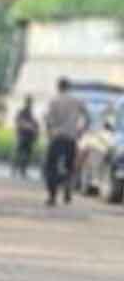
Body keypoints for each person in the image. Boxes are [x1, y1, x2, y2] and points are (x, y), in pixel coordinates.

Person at [43, 78, 89, 207]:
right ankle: (68, 188)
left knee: (51, 167)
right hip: (71, 138)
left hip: (57, 137)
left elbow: (48, 120)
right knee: (70, 167)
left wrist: (49, 134)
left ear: (58, 87)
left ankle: (52, 196)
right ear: (69, 87)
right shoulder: (77, 101)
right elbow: (88, 117)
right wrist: (81, 131)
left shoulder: (54, 101)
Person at [12, 95, 39, 178]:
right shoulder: (22, 112)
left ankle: (22, 170)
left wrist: (35, 130)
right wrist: (30, 127)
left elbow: (35, 124)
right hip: (23, 135)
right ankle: (15, 169)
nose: (30, 104)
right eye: (29, 102)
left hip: (28, 136)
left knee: (26, 154)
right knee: (20, 153)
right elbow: (19, 122)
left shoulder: (31, 113)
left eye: (31, 103)